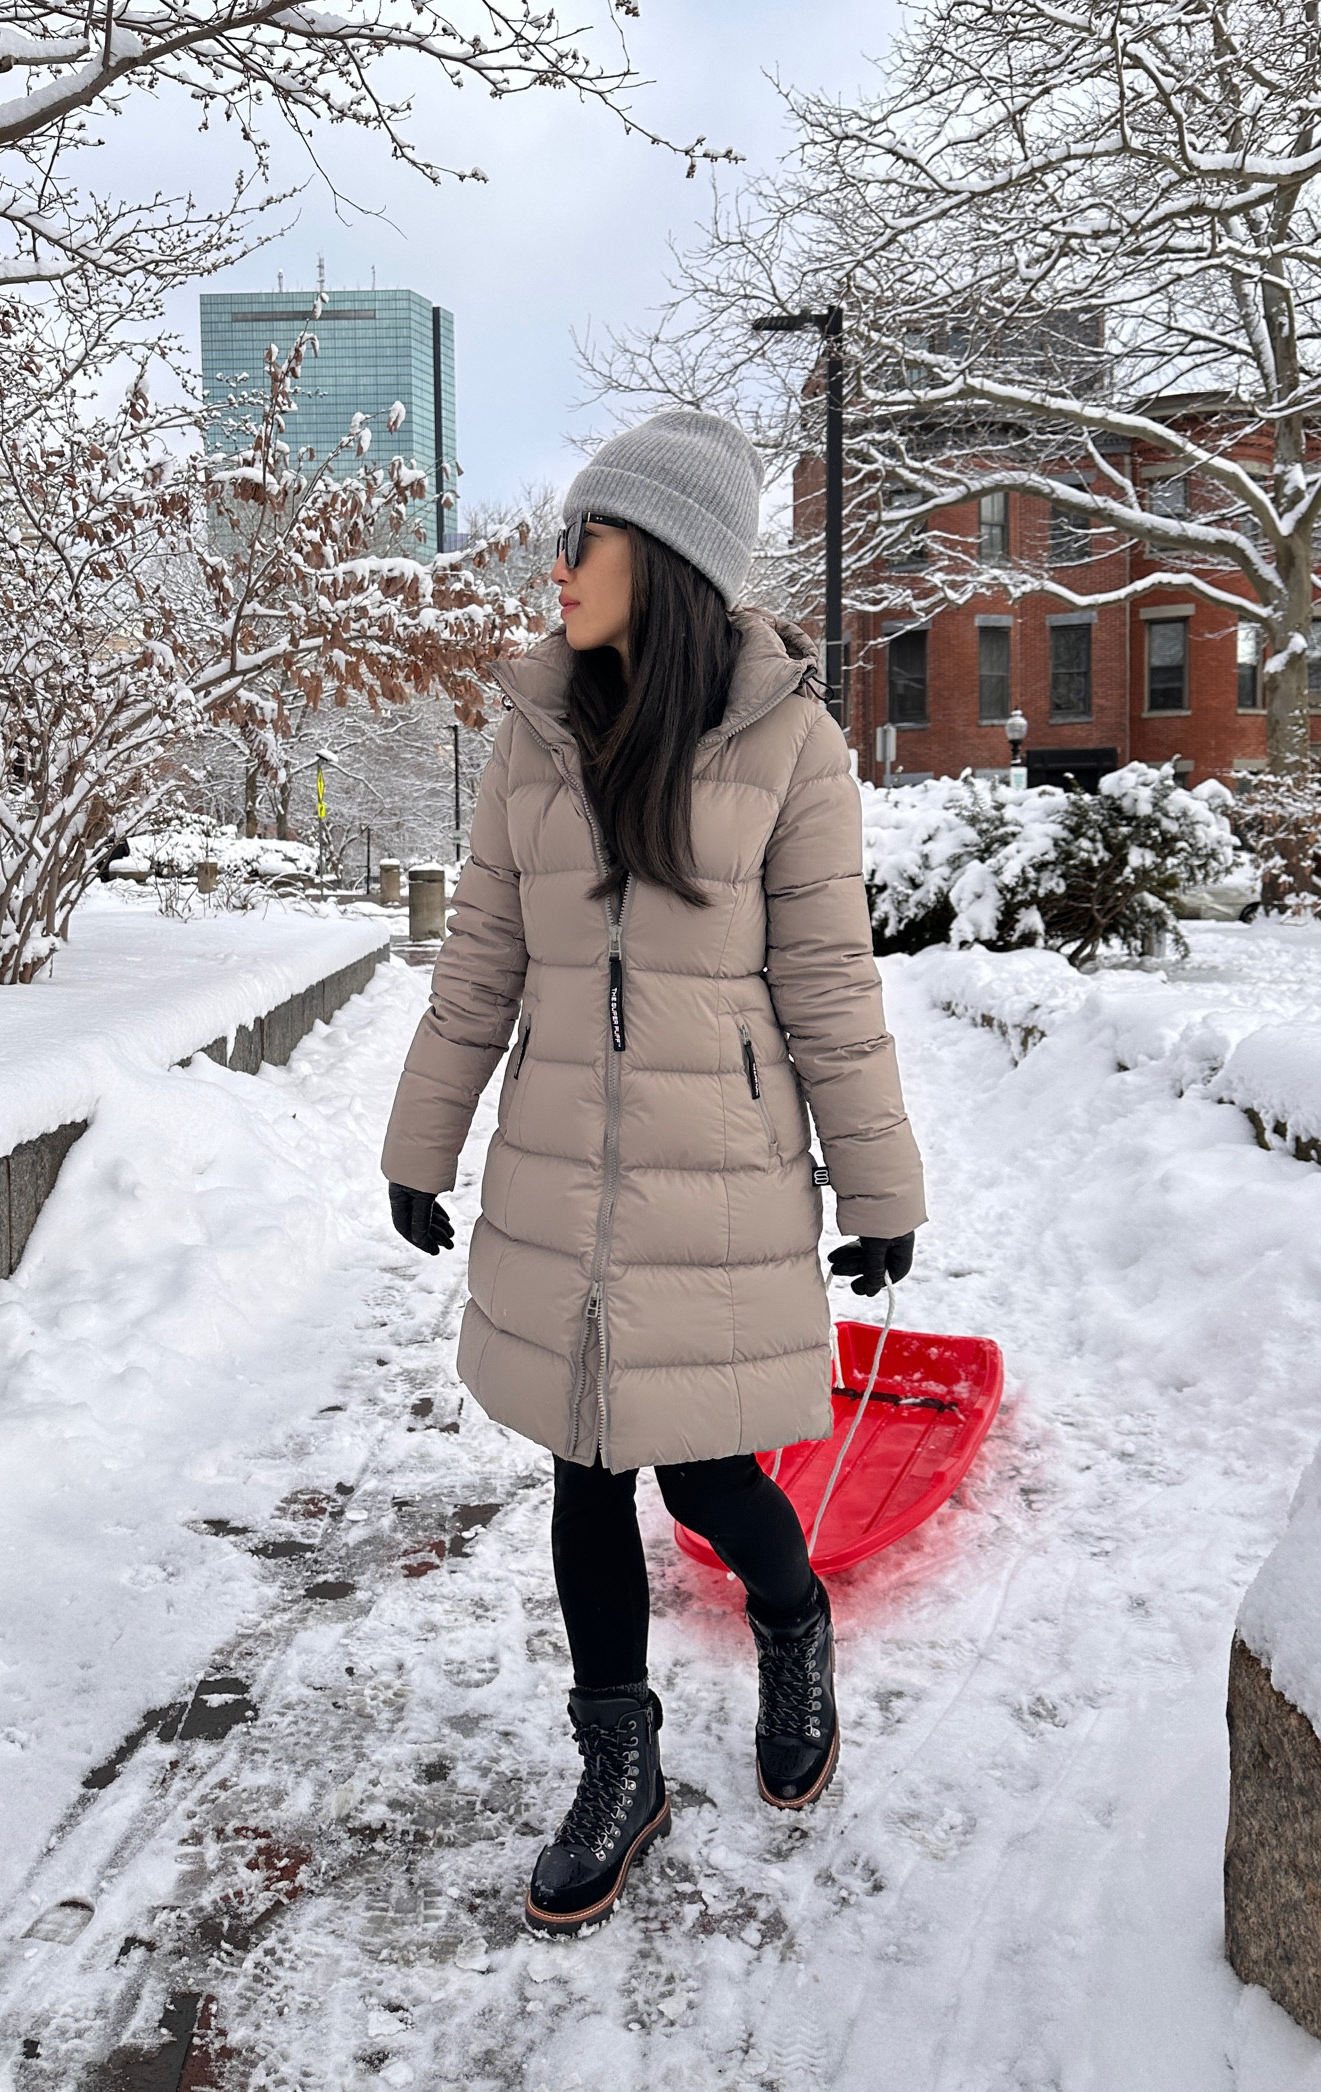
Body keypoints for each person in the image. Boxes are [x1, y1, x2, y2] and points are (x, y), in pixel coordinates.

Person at [382, 409, 925, 1939]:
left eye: (584, 539)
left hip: (721, 1175)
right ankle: (618, 1766)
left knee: (707, 1470)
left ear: (668, 560)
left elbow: (829, 982)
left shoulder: (790, 747)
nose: (555, 571)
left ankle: (793, 1615)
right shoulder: (533, 732)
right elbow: (484, 947)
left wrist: (880, 1188)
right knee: (584, 1467)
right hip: (564, 1168)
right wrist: (423, 1143)